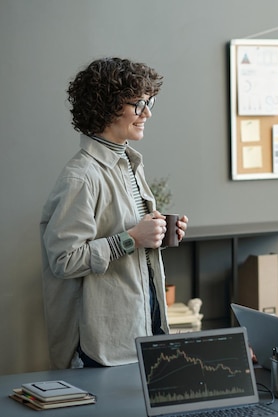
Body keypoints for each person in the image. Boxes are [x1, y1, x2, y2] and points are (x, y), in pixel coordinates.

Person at [40, 57, 189, 369]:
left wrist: (158, 234)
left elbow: (125, 234)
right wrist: (131, 239)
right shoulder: (81, 177)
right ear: (106, 107)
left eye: (150, 103)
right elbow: (62, 260)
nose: (147, 113)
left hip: (138, 334)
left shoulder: (129, 163)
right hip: (99, 351)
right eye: (138, 104)